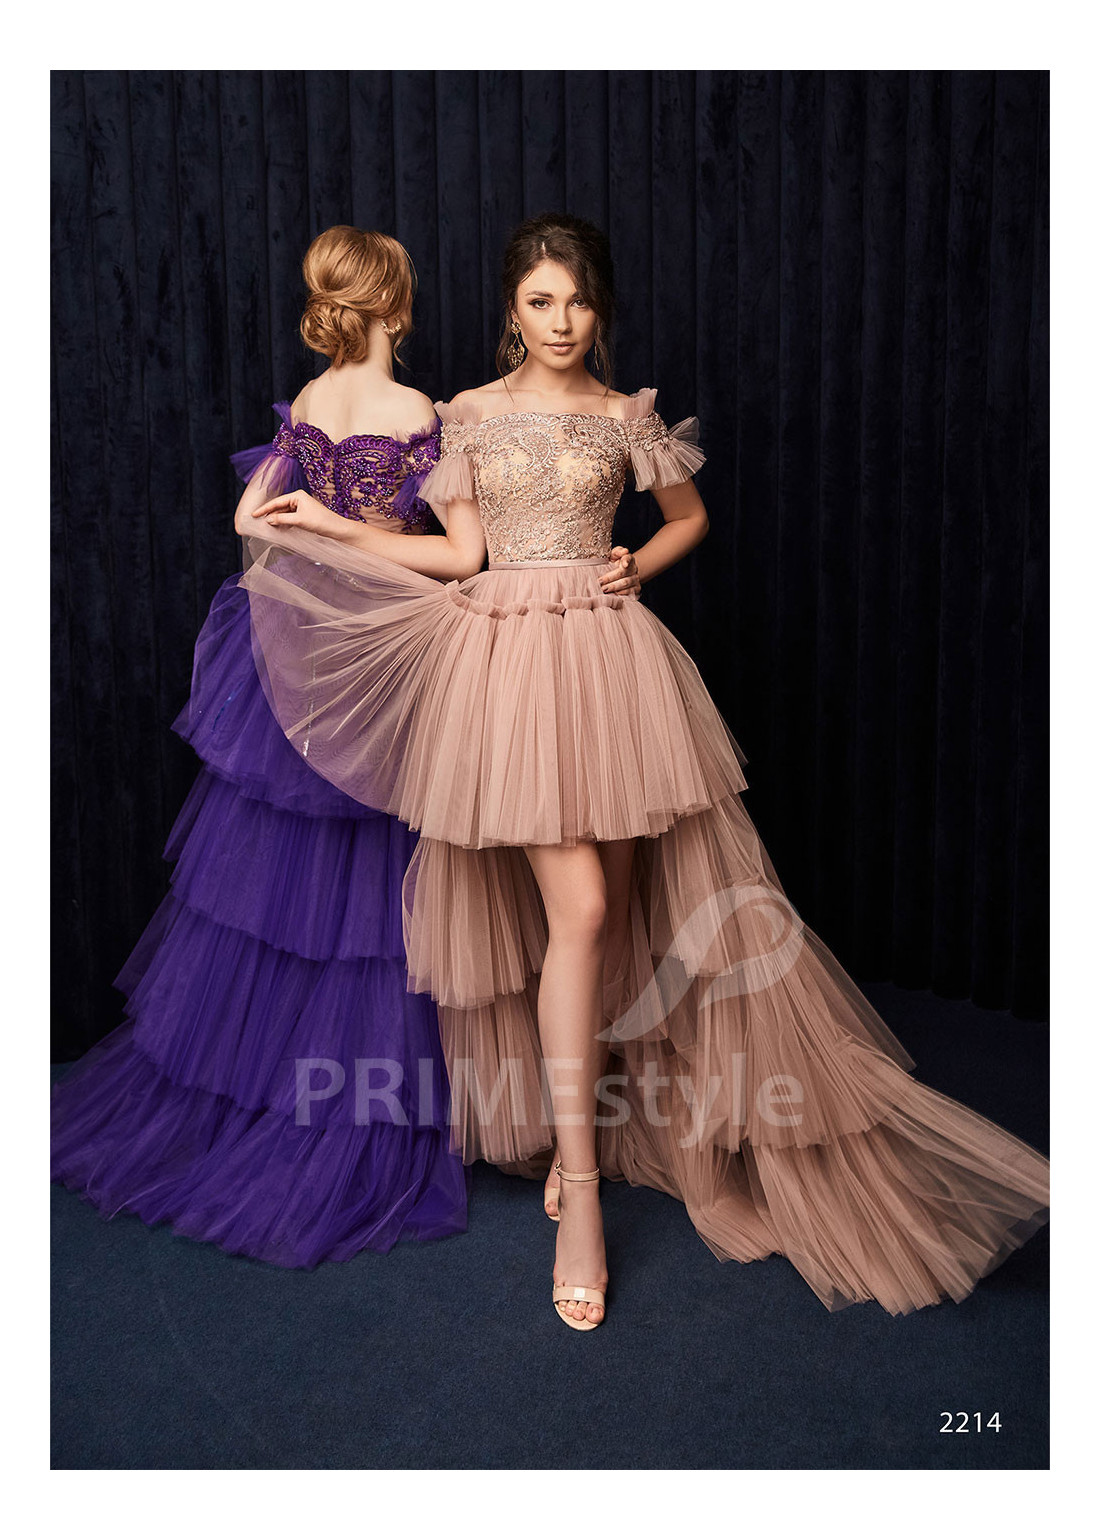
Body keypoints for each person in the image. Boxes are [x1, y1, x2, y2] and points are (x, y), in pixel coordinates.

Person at [238, 212, 1050, 1330]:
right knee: (577, 910)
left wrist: (636, 561)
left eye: (577, 301)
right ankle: (578, 1196)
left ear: (600, 308)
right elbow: (457, 555)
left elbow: (688, 516)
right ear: (511, 309)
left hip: (615, 669)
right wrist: (333, 530)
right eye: (539, 301)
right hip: (507, 666)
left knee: (612, 914)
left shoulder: (629, 416)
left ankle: (593, 1131)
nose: (560, 320)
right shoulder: (465, 413)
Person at [51, 226, 470, 1266]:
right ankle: (363, 1097)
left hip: (300, 654)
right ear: (397, 305)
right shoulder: (419, 413)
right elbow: (462, 558)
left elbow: (252, 518)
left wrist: (314, 530)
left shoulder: (312, 400)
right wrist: (365, 538)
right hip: (383, 652)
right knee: (376, 878)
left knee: (284, 877)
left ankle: (267, 1076)